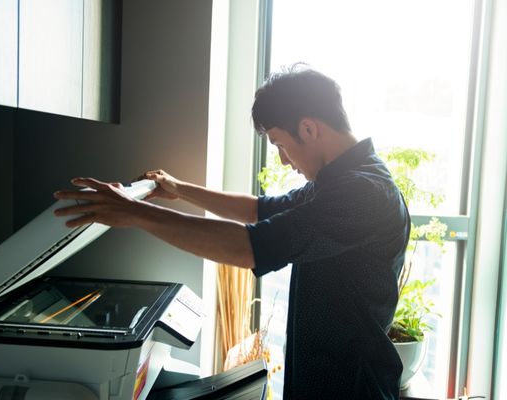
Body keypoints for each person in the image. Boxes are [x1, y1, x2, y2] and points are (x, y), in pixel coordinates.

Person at [53, 64, 410, 399]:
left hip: (349, 386)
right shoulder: (339, 180)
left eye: (279, 144)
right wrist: (179, 189)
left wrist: (135, 213)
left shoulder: (362, 192)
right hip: (327, 377)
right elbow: (260, 209)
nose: (285, 159)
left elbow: (250, 247)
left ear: (308, 128)